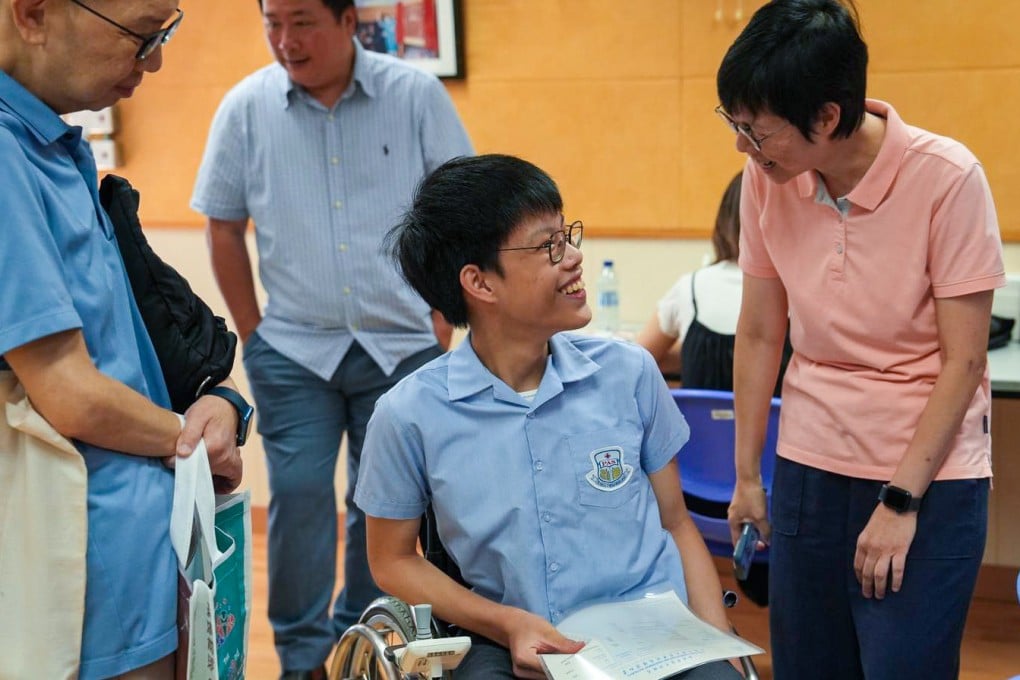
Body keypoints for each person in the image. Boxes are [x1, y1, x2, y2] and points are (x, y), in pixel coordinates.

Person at [355, 154, 742, 680]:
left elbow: (676, 522)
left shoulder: (628, 373)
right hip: (507, 634)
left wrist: (718, 644)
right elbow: (392, 560)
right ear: (480, 283)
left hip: (654, 633)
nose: (575, 257)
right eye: (548, 246)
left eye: (568, 235)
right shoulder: (408, 415)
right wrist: (506, 623)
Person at [717, 1, 1005, 677]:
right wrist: (747, 475)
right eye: (734, 125)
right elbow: (761, 332)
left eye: (757, 132)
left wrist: (901, 501)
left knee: (904, 665)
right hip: (811, 465)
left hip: (924, 472)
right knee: (809, 665)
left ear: (826, 117)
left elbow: (963, 361)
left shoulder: (948, 177)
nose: (743, 149)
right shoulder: (765, 182)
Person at [190, 0, 473, 676]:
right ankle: (301, 654)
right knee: (299, 495)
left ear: (350, 20)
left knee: (382, 505)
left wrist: (444, 314)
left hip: (402, 346)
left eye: (304, 22)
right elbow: (223, 226)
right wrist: (252, 334)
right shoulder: (245, 107)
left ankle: (359, 643)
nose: (286, 41)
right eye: (273, 23)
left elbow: (462, 206)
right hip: (293, 350)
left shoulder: (414, 97)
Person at [0, 1, 245, 678]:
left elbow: (127, 355)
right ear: (33, 13)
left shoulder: (51, 148)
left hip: (135, 546)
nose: (156, 60)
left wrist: (217, 405)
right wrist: (189, 440)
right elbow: (67, 388)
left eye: (165, 34)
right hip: (82, 569)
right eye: (141, 36)